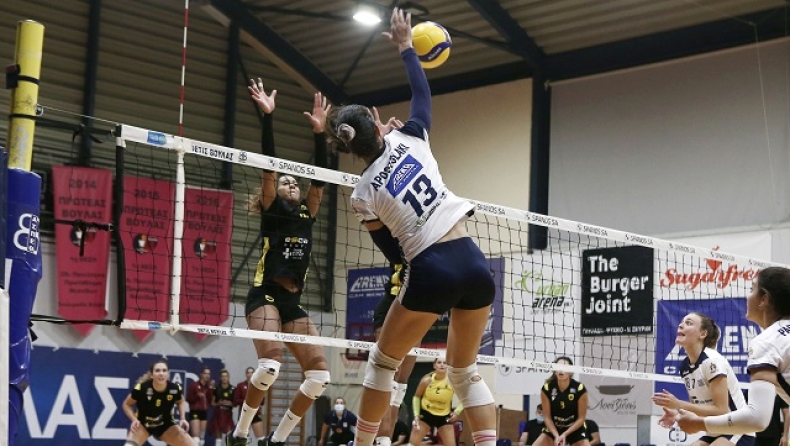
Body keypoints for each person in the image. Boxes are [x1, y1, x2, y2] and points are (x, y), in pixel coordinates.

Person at [325, 8, 497, 446]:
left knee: (382, 365)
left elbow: (395, 254)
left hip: (430, 267)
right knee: (464, 370)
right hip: (474, 262)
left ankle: (364, 444)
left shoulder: (362, 193)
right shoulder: (412, 136)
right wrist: (405, 46)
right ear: (377, 121)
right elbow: (422, 92)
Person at [226, 81, 332, 446]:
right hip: (265, 296)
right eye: (285, 182)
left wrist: (319, 133)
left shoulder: (307, 213)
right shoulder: (272, 212)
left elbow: (321, 178)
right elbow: (268, 166)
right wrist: (268, 118)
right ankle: (241, 432)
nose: (291, 184)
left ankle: (277, 439)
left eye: (294, 183)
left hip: (293, 302)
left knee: (319, 377)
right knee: (270, 365)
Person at [677, 267, 790, 435]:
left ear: (763, 299)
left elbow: (757, 419)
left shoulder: (767, 342)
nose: (747, 296)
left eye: (752, 289)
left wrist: (699, 424)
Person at [653, 313, 755, 446]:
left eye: (688, 323)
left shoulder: (712, 361)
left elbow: (721, 410)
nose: (681, 325)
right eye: (682, 322)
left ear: (702, 334)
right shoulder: (685, 366)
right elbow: (697, 408)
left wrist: (678, 404)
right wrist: (678, 416)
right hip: (715, 430)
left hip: (737, 427)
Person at [372, 260, 419, 446]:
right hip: (393, 302)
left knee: (401, 383)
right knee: (389, 375)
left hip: (418, 307)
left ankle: (384, 441)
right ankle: (379, 441)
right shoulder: (401, 248)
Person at [121, 359, 193, 446]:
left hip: (166, 426)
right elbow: (126, 404)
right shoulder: (141, 388)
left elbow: (181, 401)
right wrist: (134, 419)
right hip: (143, 424)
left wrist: (182, 418)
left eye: (164, 370)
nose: (161, 373)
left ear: (168, 374)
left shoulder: (174, 388)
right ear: (152, 375)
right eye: (157, 370)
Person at [532, 357, 590, 446]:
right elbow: (547, 417)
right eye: (558, 367)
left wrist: (565, 434)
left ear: (570, 372)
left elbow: (581, 418)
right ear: (555, 371)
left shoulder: (579, 388)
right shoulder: (547, 388)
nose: (561, 370)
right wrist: (556, 436)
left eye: (564, 367)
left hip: (575, 429)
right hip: (554, 428)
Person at [409, 359, 463, 446]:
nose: (442, 365)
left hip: (444, 416)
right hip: (426, 414)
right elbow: (416, 397)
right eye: (439, 362)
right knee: (412, 444)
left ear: (448, 366)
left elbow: (464, 399)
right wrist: (416, 415)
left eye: (445, 363)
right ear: (434, 365)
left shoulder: (452, 382)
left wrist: (457, 412)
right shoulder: (427, 380)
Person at [233, 366, 266, 439]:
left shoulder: (258, 385)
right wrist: (247, 402)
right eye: (248, 372)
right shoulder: (240, 385)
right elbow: (236, 400)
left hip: (255, 413)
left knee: (261, 438)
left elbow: (262, 402)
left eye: (252, 372)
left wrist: (257, 399)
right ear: (246, 374)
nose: (250, 374)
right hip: (244, 413)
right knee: (243, 437)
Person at [187, 366, 213, 445]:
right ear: (201, 374)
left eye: (208, 374)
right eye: (205, 373)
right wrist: (197, 396)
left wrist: (211, 389)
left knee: (202, 439)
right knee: (196, 438)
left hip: (204, 412)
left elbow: (210, 401)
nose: (207, 375)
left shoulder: (208, 387)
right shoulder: (194, 385)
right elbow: (188, 399)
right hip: (195, 412)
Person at [208, 369, 236, 441]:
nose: (224, 378)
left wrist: (230, 403)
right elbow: (212, 403)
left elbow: (236, 403)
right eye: (223, 376)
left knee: (229, 435)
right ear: (220, 378)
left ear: (228, 378)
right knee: (218, 437)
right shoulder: (216, 388)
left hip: (228, 414)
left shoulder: (233, 388)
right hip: (219, 413)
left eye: (226, 376)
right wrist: (219, 403)